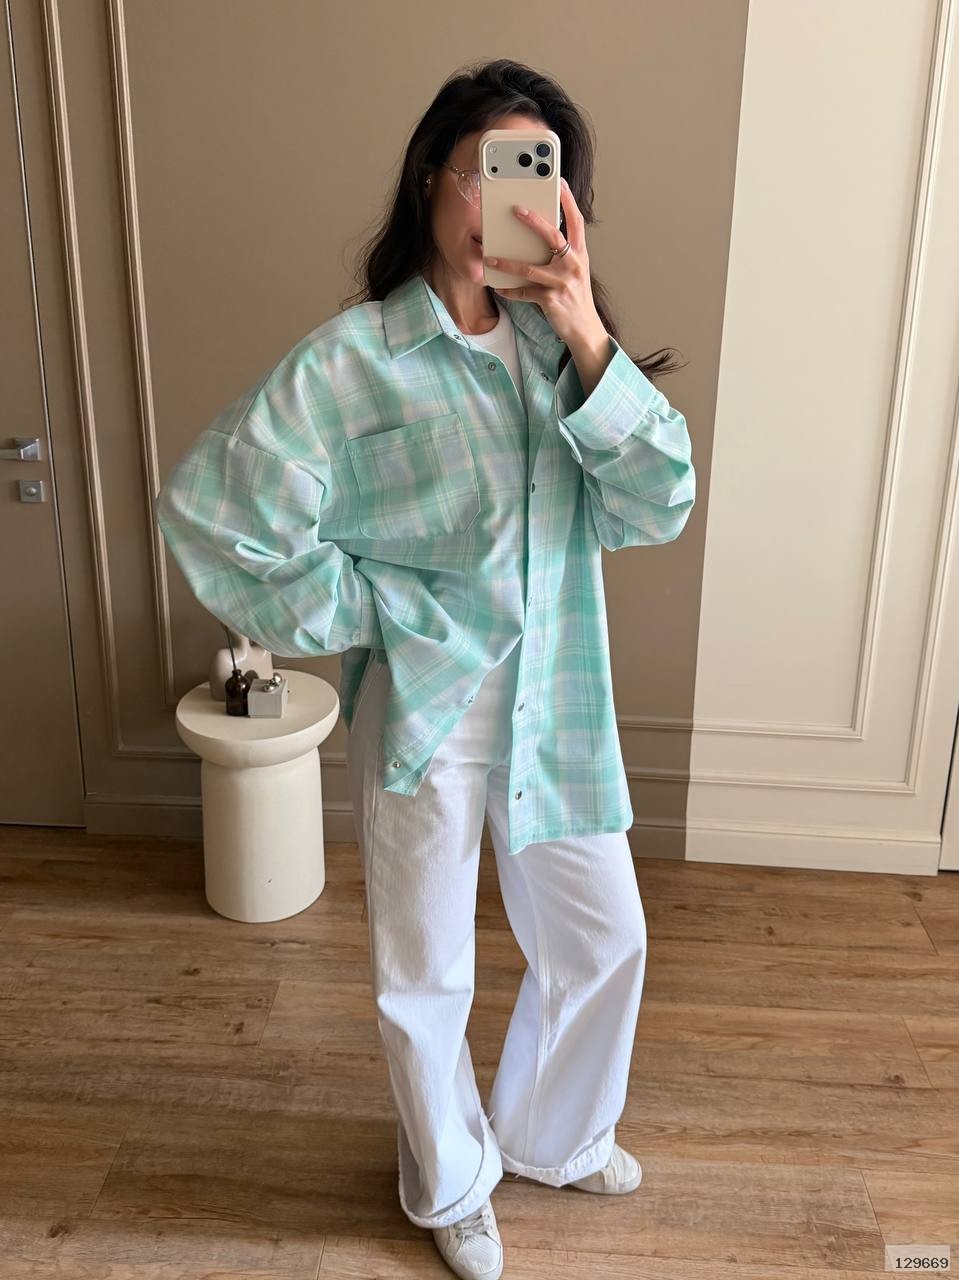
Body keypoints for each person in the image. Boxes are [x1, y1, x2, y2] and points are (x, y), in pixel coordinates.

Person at [157, 57, 695, 1280]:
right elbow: (212, 511)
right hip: (428, 710)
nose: (518, 199)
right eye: (494, 169)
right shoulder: (352, 359)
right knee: (425, 968)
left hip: (556, 698)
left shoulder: (564, 354)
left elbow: (658, 499)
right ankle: (449, 1179)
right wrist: (369, 610)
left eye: (542, 178)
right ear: (432, 180)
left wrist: (582, 324)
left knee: (603, 936)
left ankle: (552, 1135)